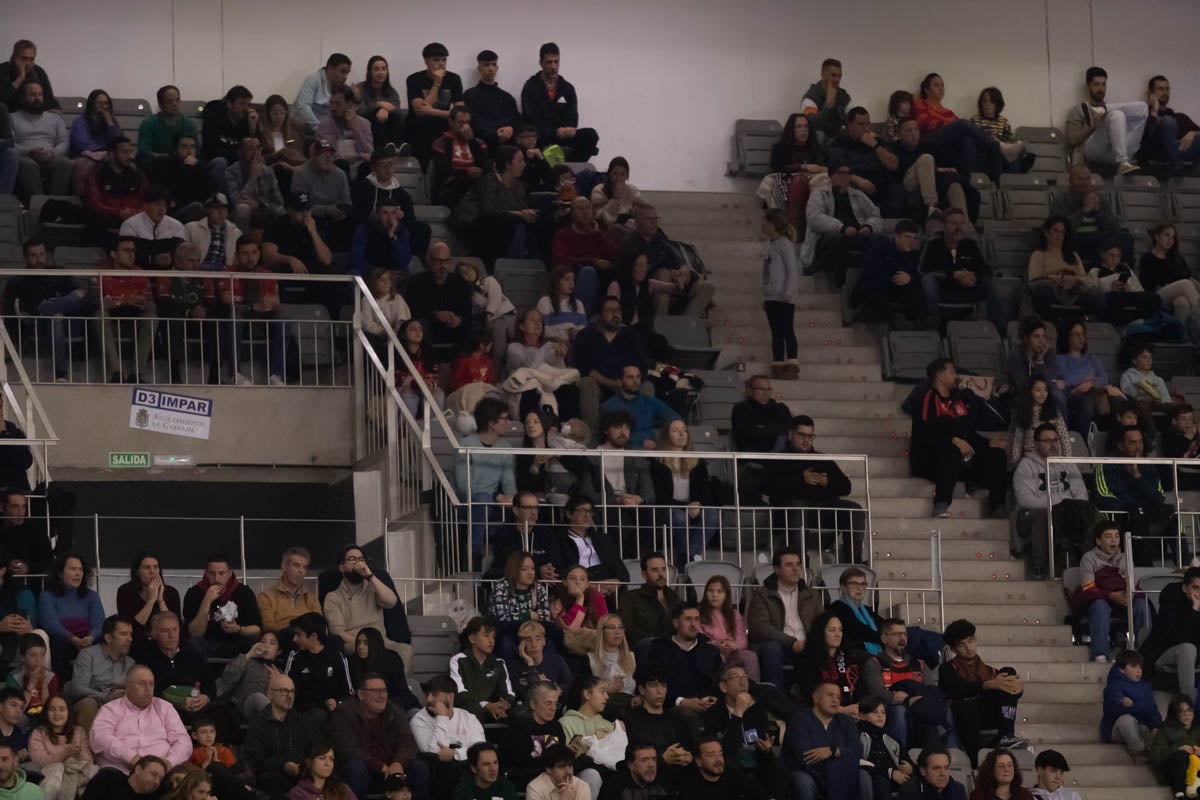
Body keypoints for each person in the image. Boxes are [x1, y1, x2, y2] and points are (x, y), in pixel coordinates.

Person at [910, 358, 1008, 519]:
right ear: (940, 375)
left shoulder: (957, 400)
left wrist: (987, 443)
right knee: (952, 451)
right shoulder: (926, 398)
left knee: (996, 454)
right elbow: (925, 434)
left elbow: (967, 432)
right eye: (952, 372)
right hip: (930, 462)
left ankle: (998, 506)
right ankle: (941, 504)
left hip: (960, 463)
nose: (957, 376)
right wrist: (953, 440)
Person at [764, 415, 863, 562]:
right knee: (798, 509)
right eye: (801, 435)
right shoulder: (779, 459)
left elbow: (846, 487)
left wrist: (828, 481)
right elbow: (768, 486)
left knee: (854, 510)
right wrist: (800, 479)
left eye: (810, 436)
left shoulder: (821, 459)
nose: (806, 440)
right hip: (791, 513)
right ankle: (800, 564)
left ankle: (854, 562)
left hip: (822, 511)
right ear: (791, 434)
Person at [1013, 424, 1096, 579]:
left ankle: (1087, 565)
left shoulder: (1067, 463)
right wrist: (1057, 505)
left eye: (1056, 440)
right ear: (1036, 444)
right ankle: (1040, 568)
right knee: (1043, 515)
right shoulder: (1026, 465)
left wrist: (1067, 507)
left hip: (1065, 511)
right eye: (1047, 441)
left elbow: (1081, 492)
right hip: (1032, 514)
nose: (1053, 445)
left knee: (1087, 510)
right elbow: (1025, 499)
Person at [938, 619, 1026, 767]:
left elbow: (1006, 692)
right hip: (964, 717)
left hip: (989, 715)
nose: (968, 648)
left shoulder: (989, 671)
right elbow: (956, 690)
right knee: (967, 705)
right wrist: (987, 685)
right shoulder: (947, 669)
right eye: (961, 645)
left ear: (975, 640)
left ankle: (1007, 735)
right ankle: (977, 760)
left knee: (1008, 672)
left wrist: (1018, 688)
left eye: (970, 641)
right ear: (953, 649)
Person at [331, 672, 428, 800]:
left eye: (384, 691)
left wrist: (398, 763)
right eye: (375, 691)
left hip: (392, 768)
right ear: (360, 694)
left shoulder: (394, 710)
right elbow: (347, 749)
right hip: (365, 768)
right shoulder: (344, 713)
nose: (382, 696)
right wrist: (380, 767)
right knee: (355, 768)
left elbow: (407, 741)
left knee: (420, 768)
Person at [1072, 521, 1151, 662]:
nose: (1114, 540)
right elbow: (1088, 589)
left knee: (1141, 604)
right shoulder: (1089, 558)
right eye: (1108, 536)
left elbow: (1131, 583)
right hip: (1098, 601)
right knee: (1100, 606)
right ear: (1098, 541)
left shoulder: (1125, 558)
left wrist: (1128, 595)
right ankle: (1100, 654)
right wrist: (1110, 595)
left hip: (1121, 601)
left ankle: (1144, 653)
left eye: (1116, 536)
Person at [89, 665, 191, 772]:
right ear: (128, 687)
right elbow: (100, 738)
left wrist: (168, 762)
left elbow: (183, 741)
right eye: (142, 684)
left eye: (151, 684)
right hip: (121, 771)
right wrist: (131, 758)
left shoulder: (165, 708)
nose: (148, 689)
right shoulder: (110, 709)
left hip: (163, 772)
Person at [747, 547, 823, 689]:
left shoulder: (811, 594)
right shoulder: (762, 594)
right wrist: (792, 642)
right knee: (772, 648)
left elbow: (822, 623)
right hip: (781, 645)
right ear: (777, 569)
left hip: (806, 645)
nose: (795, 569)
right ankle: (775, 697)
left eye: (798, 564)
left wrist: (811, 642)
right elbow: (760, 627)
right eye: (789, 565)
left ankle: (815, 697)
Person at [454, 398, 517, 565]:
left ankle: (513, 557)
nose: (508, 423)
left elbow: (509, 481)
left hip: (493, 502)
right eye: (505, 419)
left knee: (522, 504)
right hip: (467, 501)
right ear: (491, 422)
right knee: (483, 500)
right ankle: (474, 555)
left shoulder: (506, 447)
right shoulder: (466, 445)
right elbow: (463, 485)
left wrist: (512, 498)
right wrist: (495, 496)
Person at [1093, 426, 1170, 562]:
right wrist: (1130, 508)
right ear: (1121, 446)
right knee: (1134, 515)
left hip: (1144, 513)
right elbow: (1103, 496)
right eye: (1132, 443)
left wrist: (1137, 475)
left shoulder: (1148, 465)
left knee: (1174, 515)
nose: (1138, 447)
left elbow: (1159, 498)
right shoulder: (1106, 464)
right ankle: (1140, 563)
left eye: (1140, 442)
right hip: (1120, 512)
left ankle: (1185, 564)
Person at [323, 544, 410, 663]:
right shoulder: (333, 597)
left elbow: (391, 602)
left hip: (380, 642)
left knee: (406, 651)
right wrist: (363, 643)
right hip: (353, 643)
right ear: (342, 567)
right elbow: (337, 632)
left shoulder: (373, 588)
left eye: (361, 559)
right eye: (352, 559)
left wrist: (370, 576)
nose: (358, 564)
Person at [801, 156, 882, 282]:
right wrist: (842, 228)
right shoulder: (820, 193)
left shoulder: (857, 194)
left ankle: (868, 280)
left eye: (848, 173)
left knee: (880, 241)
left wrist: (869, 227)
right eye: (841, 173)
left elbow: (875, 214)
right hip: (829, 236)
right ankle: (840, 283)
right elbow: (814, 218)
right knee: (837, 239)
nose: (845, 177)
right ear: (831, 175)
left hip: (856, 234)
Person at [652, 419, 719, 568]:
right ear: (666, 436)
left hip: (693, 506)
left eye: (684, 430)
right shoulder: (658, 463)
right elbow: (661, 497)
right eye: (675, 431)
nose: (682, 434)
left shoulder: (698, 462)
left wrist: (697, 506)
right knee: (679, 517)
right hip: (670, 507)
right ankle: (689, 558)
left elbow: (704, 492)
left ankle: (687, 556)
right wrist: (686, 507)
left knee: (713, 515)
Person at [912, 73, 1002, 183]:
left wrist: (951, 127)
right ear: (927, 90)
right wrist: (947, 125)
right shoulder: (920, 103)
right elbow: (924, 123)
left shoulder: (948, 112)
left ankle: (970, 182)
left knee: (968, 141)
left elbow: (960, 130)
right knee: (963, 123)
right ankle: (995, 145)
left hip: (946, 147)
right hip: (929, 141)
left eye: (942, 85)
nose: (941, 88)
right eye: (936, 85)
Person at [243, 673, 320, 800]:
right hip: (273, 776)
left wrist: (304, 766)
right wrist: (283, 766)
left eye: (292, 691)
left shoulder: (303, 721)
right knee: (270, 779)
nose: (289, 696)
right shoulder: (258, 724)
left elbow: (315, 749)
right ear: (270, 694)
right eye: (284, 691)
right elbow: (256, 759)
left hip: (302, 773)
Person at [917, 209, 996, 330]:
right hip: (942, 292)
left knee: (992, 285)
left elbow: (986, 271)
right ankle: (932, 327)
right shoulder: (933, 243)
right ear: (943, 226)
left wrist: (974, 277)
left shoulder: (970, 244)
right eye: (953, 223)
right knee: (928, 281)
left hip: (968, 290)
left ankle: (997, 330)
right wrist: (953, 275)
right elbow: (923, 270)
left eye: (961, 223)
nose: (958, 228)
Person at [784, 681, 864, 800]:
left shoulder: (846, 722)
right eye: (830, 695)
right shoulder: (800, 721)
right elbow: (806, 758)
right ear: (816, 698)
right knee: (803, 782)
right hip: (807, 772)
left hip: (839, 770)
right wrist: (838, 761)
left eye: (838, 697)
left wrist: (833, 751)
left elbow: (857, 751)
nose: (835, 700)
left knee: (863, 776)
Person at [574, 296, 649, 420]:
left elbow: (642, 366)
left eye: (618, 310)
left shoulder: (631, 336)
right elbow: (584, 368)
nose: (615, 314)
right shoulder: (586, 335)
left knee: (647, 386)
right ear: (599, 315)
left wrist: (628, 383)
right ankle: (593, 431)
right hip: (599, 385)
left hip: (627, 383)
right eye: (610, 310)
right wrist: (612, 384)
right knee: (586, 383)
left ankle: (640, 429)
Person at [520, 43, 599, 160]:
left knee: (591, 135)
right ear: (541, 63)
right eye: (549, 62)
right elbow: (531, 118)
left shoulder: (567, 88)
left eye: (556, 62)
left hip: (564, 136)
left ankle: (571, 166)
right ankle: (555, 162)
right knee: (534, 137)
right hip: (543, 136)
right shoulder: (531, 87)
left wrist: (570, 129)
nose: (553, 66)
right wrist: (554, 131)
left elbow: (573, 116)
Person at [644, 602, 723, 719]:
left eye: (697, 619)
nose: (693, 624)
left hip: (706, 704)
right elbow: (653, 685)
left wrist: (711, 698)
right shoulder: (659, 650)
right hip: (673, 706)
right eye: (688, 619)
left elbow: (718, 681)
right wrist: (682, 701)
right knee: (686, 715)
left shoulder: (710, 651)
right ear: (676, 623)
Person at [1064, 66, 1147, 175]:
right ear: (1088, 86)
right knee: (1117, 115)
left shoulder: (1113, 110)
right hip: (1093, 151)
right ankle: (1123, 161)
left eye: (1103, 84)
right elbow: (1072, 140)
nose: (1101, 89)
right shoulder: (1078, 110)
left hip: (1115, 152)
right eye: (1096, 84)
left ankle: (1124, 163)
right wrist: (1091, 128)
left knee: (1143, 107)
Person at [182, 553, 262, 659]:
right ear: (206, 573)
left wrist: (238, 629)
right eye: (212, 573)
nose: (216, 578)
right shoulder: (194, 593)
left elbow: (257, 630)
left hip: (236, 643)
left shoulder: (244, 592)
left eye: (221, 573)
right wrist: (206, 601)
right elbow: (195, 633)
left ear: (229, 573)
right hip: (206, 643)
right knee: (192, 643)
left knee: (252, 644)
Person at [351, 147, 430, 255]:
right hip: (371, 230)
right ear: (373, 168)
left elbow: (410, 220)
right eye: (383, 165)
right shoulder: (362, 188)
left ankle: (415, 261)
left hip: (395, 231)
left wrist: (401, 218)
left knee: (422, 229)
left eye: (390, 164)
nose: (388, 169)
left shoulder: (402, 195)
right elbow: (358, 215)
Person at [39, 554, 104, 681]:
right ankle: (62, 686)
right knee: (58, 642)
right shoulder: (47, 596)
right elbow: (51, 624)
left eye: (80, 569)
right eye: (73, 569)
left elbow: (99, 623)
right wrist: (75, 640)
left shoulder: (92, 596)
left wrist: (89, 639)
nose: (78, 573)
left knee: (106, 637)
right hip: (64, 640)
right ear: (60, 573)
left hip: (87, 640)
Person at [63, 616, 134, 731]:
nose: (130, 639)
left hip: (116, 707)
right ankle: (86, 742)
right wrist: (106, 697)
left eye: (130, 634)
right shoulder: (88, 656)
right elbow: (77, 688)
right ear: (108, 637)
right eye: (123, 634)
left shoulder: (130, 663)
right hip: (91, 703)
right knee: (88, 704)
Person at [890, 118, 969, 221]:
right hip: (908, 185)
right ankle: (931, 206)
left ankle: (964, 222)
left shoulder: (926, 145)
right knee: (926, 158)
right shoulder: (894, 148)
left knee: (953, 182)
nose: (914, 134)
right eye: (909, 131)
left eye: (916, 129)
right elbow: (899, 169)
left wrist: (943, 171)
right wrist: (936, 169)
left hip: (928, 184)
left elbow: (942, 163)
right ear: (899, 135)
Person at [474, 145, 539, 265]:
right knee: (517, 223)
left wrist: (527, 213)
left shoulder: (519, 186)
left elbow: (522, 209)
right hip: (489, 229)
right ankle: (514, 264)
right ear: (508, 164)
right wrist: (518, 214)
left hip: (511, 229)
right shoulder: (490, 180)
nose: (524, 164)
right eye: (519, 161)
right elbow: (488, 211)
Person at [1058, 322, 1126, 436]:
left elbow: (1104, 378)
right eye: (1076, 334)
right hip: (1074, 395)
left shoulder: (1091, 358)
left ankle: (1118, 439)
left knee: (1119, 401)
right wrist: (1088, 379)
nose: (1081, 338)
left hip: (1095, 392)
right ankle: (1084, 441)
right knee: (1087, 403)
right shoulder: (1061, 359)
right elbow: (1068, 380)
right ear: (1067, 337)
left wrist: (1091, 382)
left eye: (1082, 334)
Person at [405, 42, 465, 167]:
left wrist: (432, 111)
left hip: (443, 123)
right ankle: (427, 171)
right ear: (426, 61)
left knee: (458, 126)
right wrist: (437, 83)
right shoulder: (414, 79)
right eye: (436, 60)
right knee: (427, 122)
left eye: (444, 59)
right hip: (419, 126)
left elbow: (460, 113)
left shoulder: (454, 79)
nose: (441, 63)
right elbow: (420, 112)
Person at [852, 219, 923, 325]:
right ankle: (895, 316)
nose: (911, 241)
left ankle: (911, 320)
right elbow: (870, 270)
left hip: (894, 289)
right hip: (874, 286)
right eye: (907, 237)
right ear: (897, 236)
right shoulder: (882, 246)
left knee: (915, 287)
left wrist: (910, 277)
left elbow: (920, 274)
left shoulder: (913, 254)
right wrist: (893, 277)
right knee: (876, 289)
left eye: (914, 238)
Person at [404, 241, 473, 347]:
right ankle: (430, 357)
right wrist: (436, 315)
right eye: (438, 261)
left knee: (472, 326)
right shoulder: (415, 282)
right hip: (429, 326)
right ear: (429, 260)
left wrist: (459, 319)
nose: (442, 265)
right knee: (420, 324)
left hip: (454, 327)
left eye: (446, 261)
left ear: (450, 261)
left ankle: (464, 357)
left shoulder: (461, 283)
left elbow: (467, 312)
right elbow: (413, 311)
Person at [487, 553, 552, 664]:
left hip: (532, 633)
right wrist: (528, 616)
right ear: (514, 570)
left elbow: (545, 618)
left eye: (532, 569)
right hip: (508, 633)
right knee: (506, 643)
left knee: (549, 643)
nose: (530, 573)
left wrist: (519, 618)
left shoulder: (538, 588)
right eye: (524, 569)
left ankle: (544, 673)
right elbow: (502, 619)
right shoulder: (501, 587)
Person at [29, 694, 96, 800]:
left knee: (95, 771)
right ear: (46, 712)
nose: (57, 713)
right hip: (51, 776)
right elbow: (39, 761)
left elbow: (89, 759)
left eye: (62, 709)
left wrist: (78, 753)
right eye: (52, 709)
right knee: (57, 769)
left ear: (68, 712)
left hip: (76, 771)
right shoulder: (39, 733)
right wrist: (64, 754)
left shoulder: (79, 731)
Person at [283, 612, 352, 715]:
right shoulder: (295, 656)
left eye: (298, 634)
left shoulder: (336, 656)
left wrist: (337, 703)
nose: (294, 639)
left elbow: (348, 692)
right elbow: (289, 691)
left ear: (313, 636)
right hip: (304, 714)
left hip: (333, 713)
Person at [449, 617, 515, 724]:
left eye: (493, 637)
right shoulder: (458, 660)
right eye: (486, 636)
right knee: (475, 711)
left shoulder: (499, 662)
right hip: (469, 709)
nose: (491, 641)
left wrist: (505, 704)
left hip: (494, 709)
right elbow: (460, 693)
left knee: (519, 714)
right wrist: (486, 705)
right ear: (472, 639)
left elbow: (509, 693)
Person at [503, 682, 568, 791]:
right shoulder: (519, 727)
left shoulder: (557, 727)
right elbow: (520, 762)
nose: (553, 708)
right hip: (526, 779)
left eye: (556, 704)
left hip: (553, 776)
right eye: (548, 703)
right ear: (533, 704)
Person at [760, 208, 801, 378]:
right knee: (776, 332)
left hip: (784, 297)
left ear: (772, 224)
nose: (762, 225)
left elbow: (792, 270)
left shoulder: (785, 244)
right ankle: (777, 363)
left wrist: (788, 292)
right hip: (771, 296)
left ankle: (792, 362)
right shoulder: (769, 245)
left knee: (787, 330)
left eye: (765, 221)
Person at [599, 364, 678, 449]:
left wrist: (659, 435)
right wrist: (640, 443)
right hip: (623, 452)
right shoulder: (610, 406)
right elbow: (608, 437)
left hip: (652, 452)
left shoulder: (650, 402)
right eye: (630, 377)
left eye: (638, 377)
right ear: (619, 381)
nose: (636, 381)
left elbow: (676, 419)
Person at [291, 141, 353, 248]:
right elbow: (301, 207)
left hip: (336, 217)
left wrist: (341, 210)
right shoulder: (300, 173)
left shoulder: (340, 174)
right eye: (323, 155)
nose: (328, 158)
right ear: (312, 157)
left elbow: (347, 202)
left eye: (331, 155)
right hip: (311, 217)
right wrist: (326, 210)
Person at [1101, 650, 1161, 760]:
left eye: (1140, 667)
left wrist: (1158, 726)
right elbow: (1114, 702)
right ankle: (1138, 750)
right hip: (1116, 729)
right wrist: (1122, 702)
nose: (1138, 671)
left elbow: (1152, 710)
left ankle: (1150, 748)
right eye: (1133, 667)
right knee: (1126, 720)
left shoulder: (1145, 687)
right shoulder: (1114, 685)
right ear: (1122, 669)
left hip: (1139, 726)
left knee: (1155, 730)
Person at [12, 81, 69, 197]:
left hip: (50, 157)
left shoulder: (55, 118)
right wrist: (30, 152)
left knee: (64, 163)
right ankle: (38, 203)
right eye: (33, 95)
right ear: (23, 98)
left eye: (40, 94)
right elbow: (10, 143)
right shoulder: (12, 118)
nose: (37, 98)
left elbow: (64, 142)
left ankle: (56, 203)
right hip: (25, 157)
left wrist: (51, 153)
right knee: (27, 165)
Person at [827, 107, 898, 200]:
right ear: (849, 125)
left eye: (868, 124)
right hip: (855, 185)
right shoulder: (840, 142)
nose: (866, 129)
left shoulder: (877, 141)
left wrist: (875, 145)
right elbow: (834, 169)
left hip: (880, 185)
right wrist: (858, 181)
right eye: (861, 124)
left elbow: (894, 165)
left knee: (896, 190)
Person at [1139, 223, 1199, 329]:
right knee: (1185, 284)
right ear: (1157, 236)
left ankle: (1181, 336)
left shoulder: (1176, 258)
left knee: (1182, 303)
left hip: (1178, 294)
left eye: (1173, 237)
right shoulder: (1147, 258)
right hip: (1157, 296)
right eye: (1167, 235)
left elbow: (1188, 277)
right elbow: (1146, 285)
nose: (1170, 240)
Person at [1090, 239, 1160, 327]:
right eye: (1111, 255)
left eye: (1118, 256)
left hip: (1129, 296)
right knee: (1113, 297)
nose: (1114, 259)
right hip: (1111, 297)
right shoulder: (1095, 271)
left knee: (1153, 297)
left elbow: (1139, 290)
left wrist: (1128, 288)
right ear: (1102, 254)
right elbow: (1094, 294)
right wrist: (1110, 289)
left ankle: (1149, 324)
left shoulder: (1125, 269)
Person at [83, 136, 145, 236]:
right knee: (95, 219)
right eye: (125, 152)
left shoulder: (138, 175)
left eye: (130, 152)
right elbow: (94, 203)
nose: (130, 156)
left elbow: (147, 200)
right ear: (111, 154)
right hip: (109, 217)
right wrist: (118, 212)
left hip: (134, 217)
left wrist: (134, 212)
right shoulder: (97, 174)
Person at [618, 553, 681, 650]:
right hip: (645, 647)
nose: (661, 574)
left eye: (663, 569)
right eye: (655, 570)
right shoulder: (631, 598)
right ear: (644, 574)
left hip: (672, 646)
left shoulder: (674, 597)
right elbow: (628, 629)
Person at [430, 107, 487, 209]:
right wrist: (466, 173)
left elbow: (484, 164)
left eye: (468, 122)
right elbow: (443, 172)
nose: (465, 126)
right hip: (453, 186)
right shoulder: (441, 143)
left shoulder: (479, 143)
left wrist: (471, 140)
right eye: (460, 122)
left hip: (476, 185)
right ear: (451, 122)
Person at [858, 695, 913, 800]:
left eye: (883, 712)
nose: (880, 716)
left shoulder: (892, 738)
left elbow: (905, 759)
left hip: (896, 777)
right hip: (872, 778)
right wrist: (890, 773)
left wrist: (911, 769)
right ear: (862, 716)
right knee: (881, 781)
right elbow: (859, 761)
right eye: (874, 712)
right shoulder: (857, 734)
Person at [225, 136, 285, 231]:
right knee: (242, 208)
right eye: (250, 149)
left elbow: (278, 201)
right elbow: (235, 202)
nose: (256, 152)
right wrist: (253, 177)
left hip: (263, 209)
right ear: (240, 153)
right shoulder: (231, 171)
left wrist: (259, 205)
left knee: (281, 211)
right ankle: (241, 239)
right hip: (241, 213)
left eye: (258, 148)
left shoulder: (268, 171)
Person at [463, 51, 520, 152]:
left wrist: (510, 129)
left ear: (497, 67)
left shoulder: (507, 97)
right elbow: (475, 123)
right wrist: (495, 134)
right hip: (482, 145)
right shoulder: (470, 95)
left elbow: (516, 121)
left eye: (493, 65)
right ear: (479, 68)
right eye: (486, 65)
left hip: (509, 145)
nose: (490, 69)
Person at [117, 185, 186, 268]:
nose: (161, 209)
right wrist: (152, 259)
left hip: (168, 272)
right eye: (157, 204)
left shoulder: (177, 226)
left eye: (164, 205)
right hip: (137, 271)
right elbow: (126, 256)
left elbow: (179, 256)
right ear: (145, 205)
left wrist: (145, 247)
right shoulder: (130, 224)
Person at [1009, 377, 1071, 469]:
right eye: (1038, 390)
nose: (1042, 394)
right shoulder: (1024, 413)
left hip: (1052, 459)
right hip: (1031, 459)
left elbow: (1064, 437)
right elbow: (1018, 440)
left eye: (1045, 390)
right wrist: (1015, 463)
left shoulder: (1054, 412)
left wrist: (1068, 462)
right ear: (1029, 392)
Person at [214, 631, 278, 719]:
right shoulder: (247, 661)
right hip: (241, 708)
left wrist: (277, 682)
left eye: (272, 643)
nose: (266, 645)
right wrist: (249, 654)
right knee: (258, 697)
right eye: (263, 642)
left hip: (264, 714)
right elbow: (228, 677)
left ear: (279, 651)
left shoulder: (279, 673)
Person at [257, 547, 320, 636]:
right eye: (296, 565)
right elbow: (269, 627)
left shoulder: (311, 598)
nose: (301, 571)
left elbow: (319, 626)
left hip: (307, 641)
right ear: (284, 566)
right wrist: (297, 631)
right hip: (282, 638)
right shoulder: (266, 596)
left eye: (304, 567)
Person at [149, 133, 211, 224]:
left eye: (192, 147)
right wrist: (186, 169)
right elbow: (178, 194)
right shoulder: (165, 165)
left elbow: (208, 190)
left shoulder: (200, 167)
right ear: (175, 150)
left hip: (196, 211)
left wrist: (198, 167)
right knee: (197, 207)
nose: (189, 151)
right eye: (184, 147)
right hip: (173, 214)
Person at [1142, 75, 1200, 170]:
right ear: (1151, 93)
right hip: (1156, 154)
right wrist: (1154, 110)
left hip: (1179, 152)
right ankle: (1176, 160)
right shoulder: (1144, 114)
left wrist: (1192, 133)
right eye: (1160, 89)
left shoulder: (1180, 117)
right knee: (1167, 120)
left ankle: (1177, 160)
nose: (1165, 92)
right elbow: (1145, 138)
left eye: (1167, 89)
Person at [1149, 694, 1200, 798]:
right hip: (1175, 772)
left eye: (1189, 710)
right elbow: (1156, 758)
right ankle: (1179, 794)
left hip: (1196, 771)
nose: (1186, 714)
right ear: (1174, 714)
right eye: (1181, 711)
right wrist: (1178, 749)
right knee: (1181, 755)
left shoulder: (1198, 729)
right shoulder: (1164, 731)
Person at [201, 85, 254, 185]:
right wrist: (239, 155)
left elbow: (255, 151)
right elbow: (211, 150)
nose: (246, 109)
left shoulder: (248, 121)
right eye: (241, 104)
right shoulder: (214, 119)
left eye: (248, 104)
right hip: (214, 164)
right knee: (221, 162)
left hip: (238, 164)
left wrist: (252, 130)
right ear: (229, 104)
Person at [970, 87, 1031, 173]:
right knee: (995, 146)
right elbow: (970, 144)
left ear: (997, 104)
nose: (987, 104)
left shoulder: (1003, 121)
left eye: (991, 101)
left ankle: (1011, 179)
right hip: (983, 155)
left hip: (1001, 157)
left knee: (1014, 152)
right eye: (985, 101)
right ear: (981, 103)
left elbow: (1010, 142)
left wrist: (999, 141)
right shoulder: (974, 120)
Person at [348, 198, 411, 278]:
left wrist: (392, 238)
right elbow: (355, 260)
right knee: (354, 273)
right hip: (369, 272)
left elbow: (403, 262)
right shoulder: (364, 230)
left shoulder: (402, 231)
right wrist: (378, 273)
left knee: (406, 273)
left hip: (393, 273)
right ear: (377, 215)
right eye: (385, 213)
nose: (390, 217)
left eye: (393, 213)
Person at [318, 87, 373, 176]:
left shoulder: (364, 123)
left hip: (359, 165)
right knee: (341, 164)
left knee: (368, 166)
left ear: (349, 104)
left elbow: (368, 152)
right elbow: (328, 152)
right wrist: (354, 156)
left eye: (337, 103)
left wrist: (356, 130)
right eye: (331, 103)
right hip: (337, 165)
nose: (332, 108)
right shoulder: (324, 125)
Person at [354, 55, 405, 151]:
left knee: (394, 116)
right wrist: (378, 105)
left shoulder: (391, 91)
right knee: (377, 115)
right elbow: (359, 111)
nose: (381, 72)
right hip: (367, 124)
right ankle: (384, 149)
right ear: (370, 72)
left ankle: (398, 147)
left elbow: (397, 110)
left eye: (384, 69)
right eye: (376, 69)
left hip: (388, 125)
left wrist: (386, 110)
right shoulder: (360, 88)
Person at [137, 85, 197, 167]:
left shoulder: (189, 124)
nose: (174, 104)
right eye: (170, 101)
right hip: (157, 164)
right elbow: (143, 152)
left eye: (177, 100)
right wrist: (168, 158)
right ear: (161, 104)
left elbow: (196, 150)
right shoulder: (149, 123)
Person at [294, 53, 353, 131]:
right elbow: (302, 106)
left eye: (347, 73)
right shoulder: (313, 79)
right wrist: (320, 127)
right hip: (307, 128)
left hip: (328, 129)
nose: (345, 77)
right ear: (330, 69)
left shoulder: (340, 87)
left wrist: (356, 99)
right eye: (342, 72)